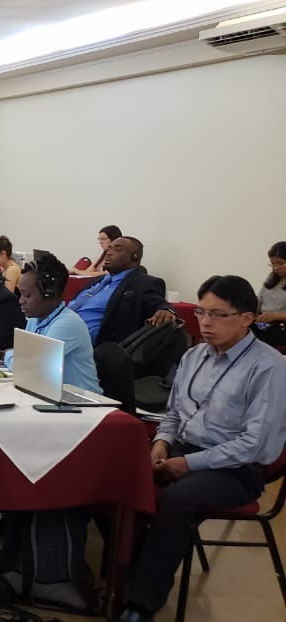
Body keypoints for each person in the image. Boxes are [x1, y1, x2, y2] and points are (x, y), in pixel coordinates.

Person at [114, 275, 286, 622]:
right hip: (183, 448)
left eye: (218, 314)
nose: (205, 322)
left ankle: (140, 604)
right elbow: (174, 414)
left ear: (247, 318)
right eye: (201, 312)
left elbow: (253, 444)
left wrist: (188, 464)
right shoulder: (194, 355)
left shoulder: (270, 367)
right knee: (117, 475)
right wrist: (161, 443)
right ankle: (123, 576)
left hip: (237, 468)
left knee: (176, 500)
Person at [0, 253, 101, 393]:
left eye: (27, 295)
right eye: (21, 294)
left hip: (83, 400)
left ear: (49, 293)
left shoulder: (67, 324)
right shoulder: (34, 320)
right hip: (49, 393)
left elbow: (32, 368)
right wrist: (0, 354)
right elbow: (25, 360)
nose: (20, 300)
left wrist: (5, 354)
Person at [68, 236, 175, 345]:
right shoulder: (98, 281)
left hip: (90, 344)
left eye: (117, 249)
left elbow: (158, 304)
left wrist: (166, 310)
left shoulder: (143, 283)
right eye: (109, 248)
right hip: (63, 329)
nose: (109, 253)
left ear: (134, 256)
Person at [254, 241, 286, 346]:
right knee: (237, 328)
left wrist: (275, 316)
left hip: (280, 327)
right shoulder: (272, 278)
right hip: (263, 324)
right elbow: (259, 300)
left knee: (252, 337)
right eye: (272, 263)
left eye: (280, 263)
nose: (275, 268)